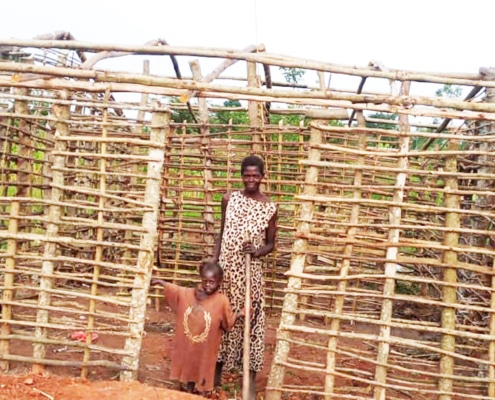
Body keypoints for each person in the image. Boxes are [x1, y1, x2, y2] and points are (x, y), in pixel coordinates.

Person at [211, 154, 278, 399]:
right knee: (222, 318)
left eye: (255, 175)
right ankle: (214, 375)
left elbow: (271, 243)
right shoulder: (229, 199)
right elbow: (221, 233)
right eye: (247, 175)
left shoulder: (269, 207)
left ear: (262, 177)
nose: (251, 179)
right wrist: (214, 262)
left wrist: (257, 251)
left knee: (251, 321)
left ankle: (248, 382)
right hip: (227, 271)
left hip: (251, 274)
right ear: (242, 176)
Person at [152, 261, 242, 397]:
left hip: (206, 347)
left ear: (219, 283)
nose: (207, 285)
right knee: (189, 364)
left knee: (203, 368)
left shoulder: (221, 301)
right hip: (189, 344)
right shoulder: (190, 294)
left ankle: (201, 393)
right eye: (205, 281)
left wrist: (240, 314)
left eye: (211, 282)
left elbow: (227, 323)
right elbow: (176, 290)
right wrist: (160, 282)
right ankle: (187, 390)